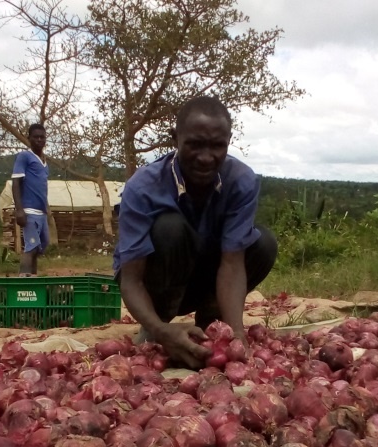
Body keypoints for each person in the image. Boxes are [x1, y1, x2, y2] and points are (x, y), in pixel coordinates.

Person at [113, 96, 278, 369]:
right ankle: (158, 328)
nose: (205, 157)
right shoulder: (143, 187)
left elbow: (232, 263)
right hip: (154, 284)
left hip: (202, 277)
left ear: (228, 140)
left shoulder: (241, 181)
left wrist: (236, 335)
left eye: (217, 146)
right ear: (175, 138)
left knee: (263, 243)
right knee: (170, 228)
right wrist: (159, 328)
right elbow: (131, 280)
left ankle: (211, 322)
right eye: (194, 144)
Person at [12, 123, 49, 276]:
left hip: (41, 212)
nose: (39, 140)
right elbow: (16, 182)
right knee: (31, 246)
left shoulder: (44, 162)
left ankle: (33, 280)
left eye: (42, 137)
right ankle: (23, 285)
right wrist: (19, 209)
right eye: (36, 137)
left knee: (40, 246)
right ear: (29, 139)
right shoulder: (24, 157)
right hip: (29, 210)